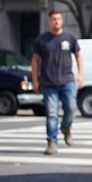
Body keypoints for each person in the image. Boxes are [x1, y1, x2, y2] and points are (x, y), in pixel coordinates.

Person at [31, 10, 83, 156]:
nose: (57, 21)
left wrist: (80, 76)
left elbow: (79, 56)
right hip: (48, 82)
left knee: (71, 108)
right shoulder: (42, 39)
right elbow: (35, 60)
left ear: (62, 20)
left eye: (59, 19)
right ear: (49, 21)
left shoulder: (69, 38)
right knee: (52, 113)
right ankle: (52, 142)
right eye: (54, 19)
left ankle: (66, 128)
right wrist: (35, 81)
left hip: (67, 81)